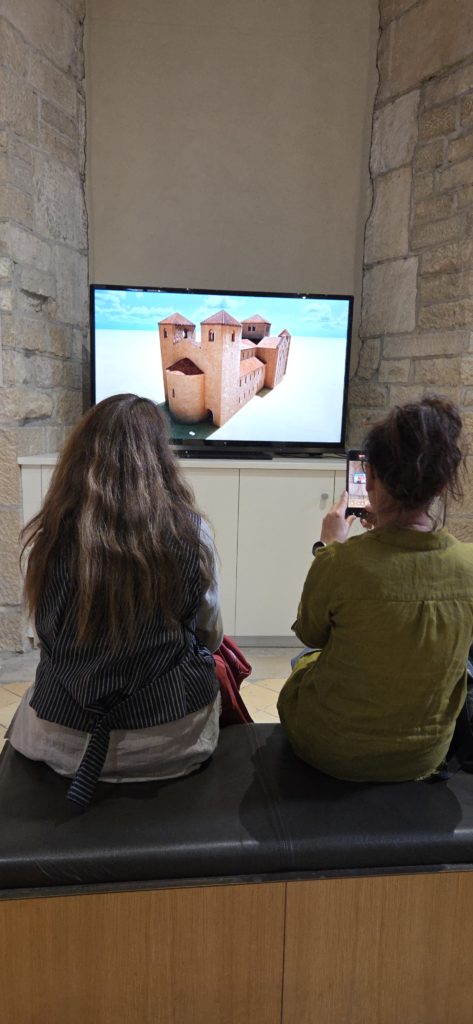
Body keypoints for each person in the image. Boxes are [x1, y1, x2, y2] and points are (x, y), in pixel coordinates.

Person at [8, 394, 231, 806]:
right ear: (159, 459)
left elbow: (46, 634)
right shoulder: (191, 532)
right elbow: (211, 636)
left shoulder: (48, 537)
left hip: (59, 742)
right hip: (174, 741)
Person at [277, 396, 473, 783]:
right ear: (441, 485)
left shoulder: (342, 561)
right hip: (423, 755)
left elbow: (312, 633)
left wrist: (328, 547)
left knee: (305, 660)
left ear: (370, 480)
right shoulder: (467, 566)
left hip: (330, 749)